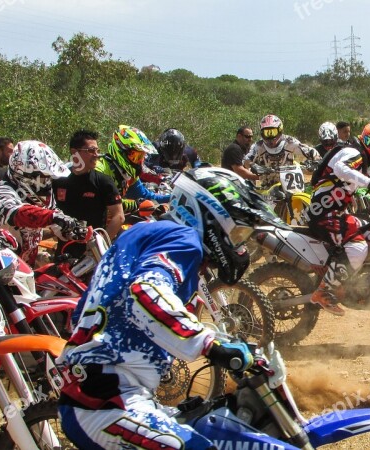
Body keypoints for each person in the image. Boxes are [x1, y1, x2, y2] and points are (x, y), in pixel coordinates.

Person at [57, 167, 256, 450]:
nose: (238, 244)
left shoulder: (141, 232)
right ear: (210, 216)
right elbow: (145, 292)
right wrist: (210, 345)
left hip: (97, 389)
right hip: (107, 400)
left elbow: (85, 311)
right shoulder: (186, 240)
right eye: (235, 232)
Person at [307, 120, 370, 316]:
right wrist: (369, 183)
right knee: (358, 248)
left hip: (333, 212)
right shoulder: (353, 151)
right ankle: (324, 291)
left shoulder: (359, 156)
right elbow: (340, 169)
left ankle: (353, 278)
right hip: (323, 215)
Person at [0, 140, 87, 266]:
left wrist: (73, 231)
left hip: (22, 267)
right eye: (43, 178)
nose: (46, 182)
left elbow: (54, 218)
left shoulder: (43, 195)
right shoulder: (3, 190)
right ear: (24, 174)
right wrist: (53, 217)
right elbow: (15, 213)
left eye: (48, 178)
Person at [53, 130, 124, 241]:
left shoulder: (103, 181)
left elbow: (119, 216)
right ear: (74, 152)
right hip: (64, 249)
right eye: (91, 150)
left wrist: (101, 244)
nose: (96, 155)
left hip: (93, 251)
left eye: (97, 150)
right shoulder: (59, 180)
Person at [96, 125, 171, 215]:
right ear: (121, 149)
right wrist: (135, 204)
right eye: (135, 156)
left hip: (113, 220)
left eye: (142, 156)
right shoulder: (100, 169)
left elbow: (145, 196)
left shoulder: (127, 174)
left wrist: (173, 197)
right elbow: (106, 202)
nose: (139, 161)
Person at [239, 114, 320, 184]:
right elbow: (246, 159)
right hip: (268, 187)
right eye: (266, 133)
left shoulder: (290, 142)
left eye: (273, 132)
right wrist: (253, 165)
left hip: (290, 184)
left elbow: (311, 151)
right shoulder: (258, 146)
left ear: (279, 130)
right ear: (261, 133)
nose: (270, 136)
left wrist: (316, 161)